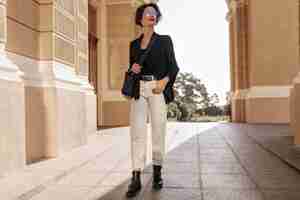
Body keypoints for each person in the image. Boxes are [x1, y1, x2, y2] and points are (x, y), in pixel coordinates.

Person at [125, 3, 179, 198]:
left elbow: (174, 68)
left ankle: (157, 172)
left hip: (157, 89)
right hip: (139, 91)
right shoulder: (133, 44)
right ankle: (136, 176)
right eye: (147, 13)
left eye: (154, 13)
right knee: (137, 133)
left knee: (158, 129)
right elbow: (131, 71)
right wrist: (133, 70)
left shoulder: (165, 41)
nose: (151, 15)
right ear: (140, 19)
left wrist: (164, 83)